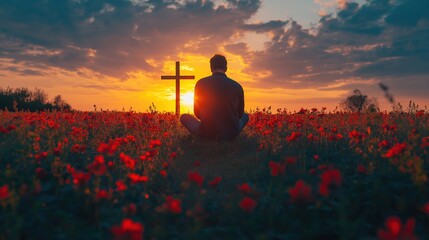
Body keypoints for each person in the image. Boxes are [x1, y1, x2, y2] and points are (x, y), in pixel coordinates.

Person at [180, 54, 249, 141]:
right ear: (226, 68)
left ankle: (205, 135)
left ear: (211, 68)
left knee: (184, 117)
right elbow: (240, 114)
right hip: (230, 134)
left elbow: (197, 113)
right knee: (245, 116)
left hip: (206, 132)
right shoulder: (237, 86)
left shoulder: (200, 83)